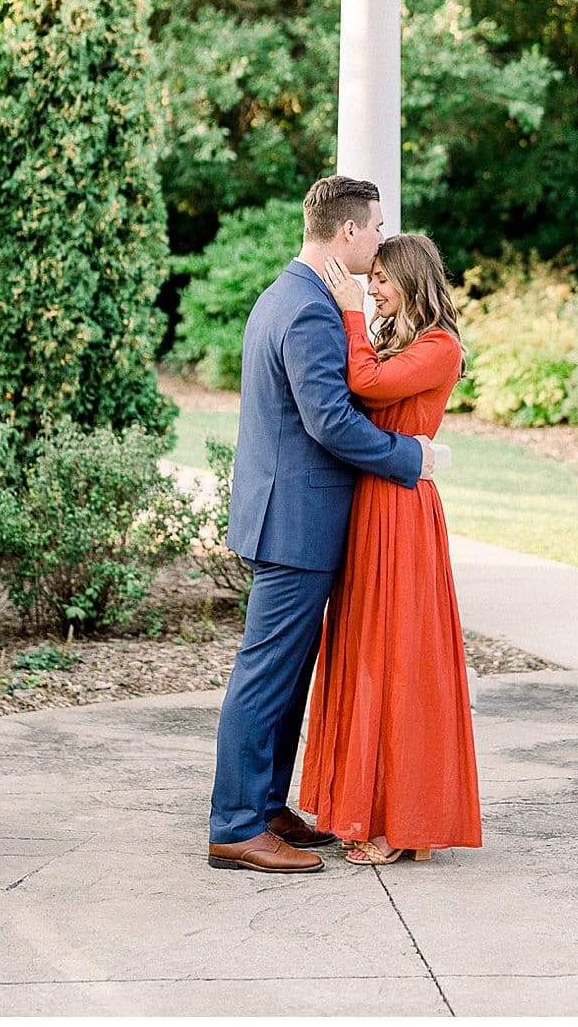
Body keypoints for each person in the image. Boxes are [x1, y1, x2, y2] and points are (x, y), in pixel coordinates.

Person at [207, 176, 438, 875]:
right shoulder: (308, 310)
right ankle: (235, 825)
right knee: (266, 677)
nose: (378, 242)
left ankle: (268, 806)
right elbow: (330, 422)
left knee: (285, 677)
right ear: (347, 233)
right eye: (374, 229)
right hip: (297, 522)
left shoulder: (288, 294)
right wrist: (412, 457)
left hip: (289, 515)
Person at [299, 233, 482, 865]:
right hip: (368, 507)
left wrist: (350, 309)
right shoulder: (396, 339)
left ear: (410, 279)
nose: (372, 288)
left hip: (401, 513)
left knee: (398, 656)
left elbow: (367, 386)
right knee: (365, 651)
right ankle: (369, 808)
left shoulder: (440, 347)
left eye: (381, 279)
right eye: (368, 279)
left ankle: (404, 823)